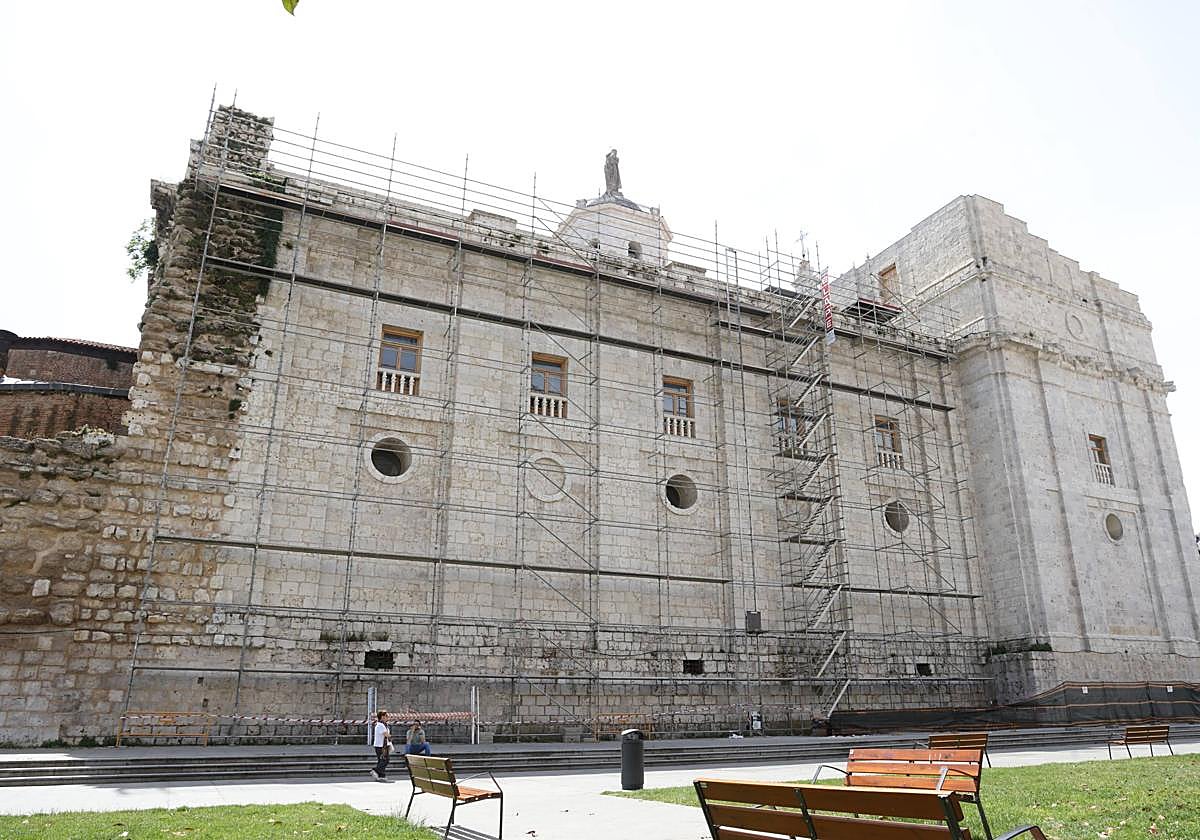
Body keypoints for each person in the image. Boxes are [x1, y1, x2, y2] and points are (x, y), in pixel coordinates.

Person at [370, 709, 393, 782]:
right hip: (381, 746)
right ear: (382, 717)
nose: (387, 717)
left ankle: (381, 775)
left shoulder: (384, 725)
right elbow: (386, 734)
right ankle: (376, 770)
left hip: (384, 745)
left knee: (382, 760)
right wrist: (389, 736)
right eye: (386, 716)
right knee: (385, 760)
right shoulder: (380, 725)